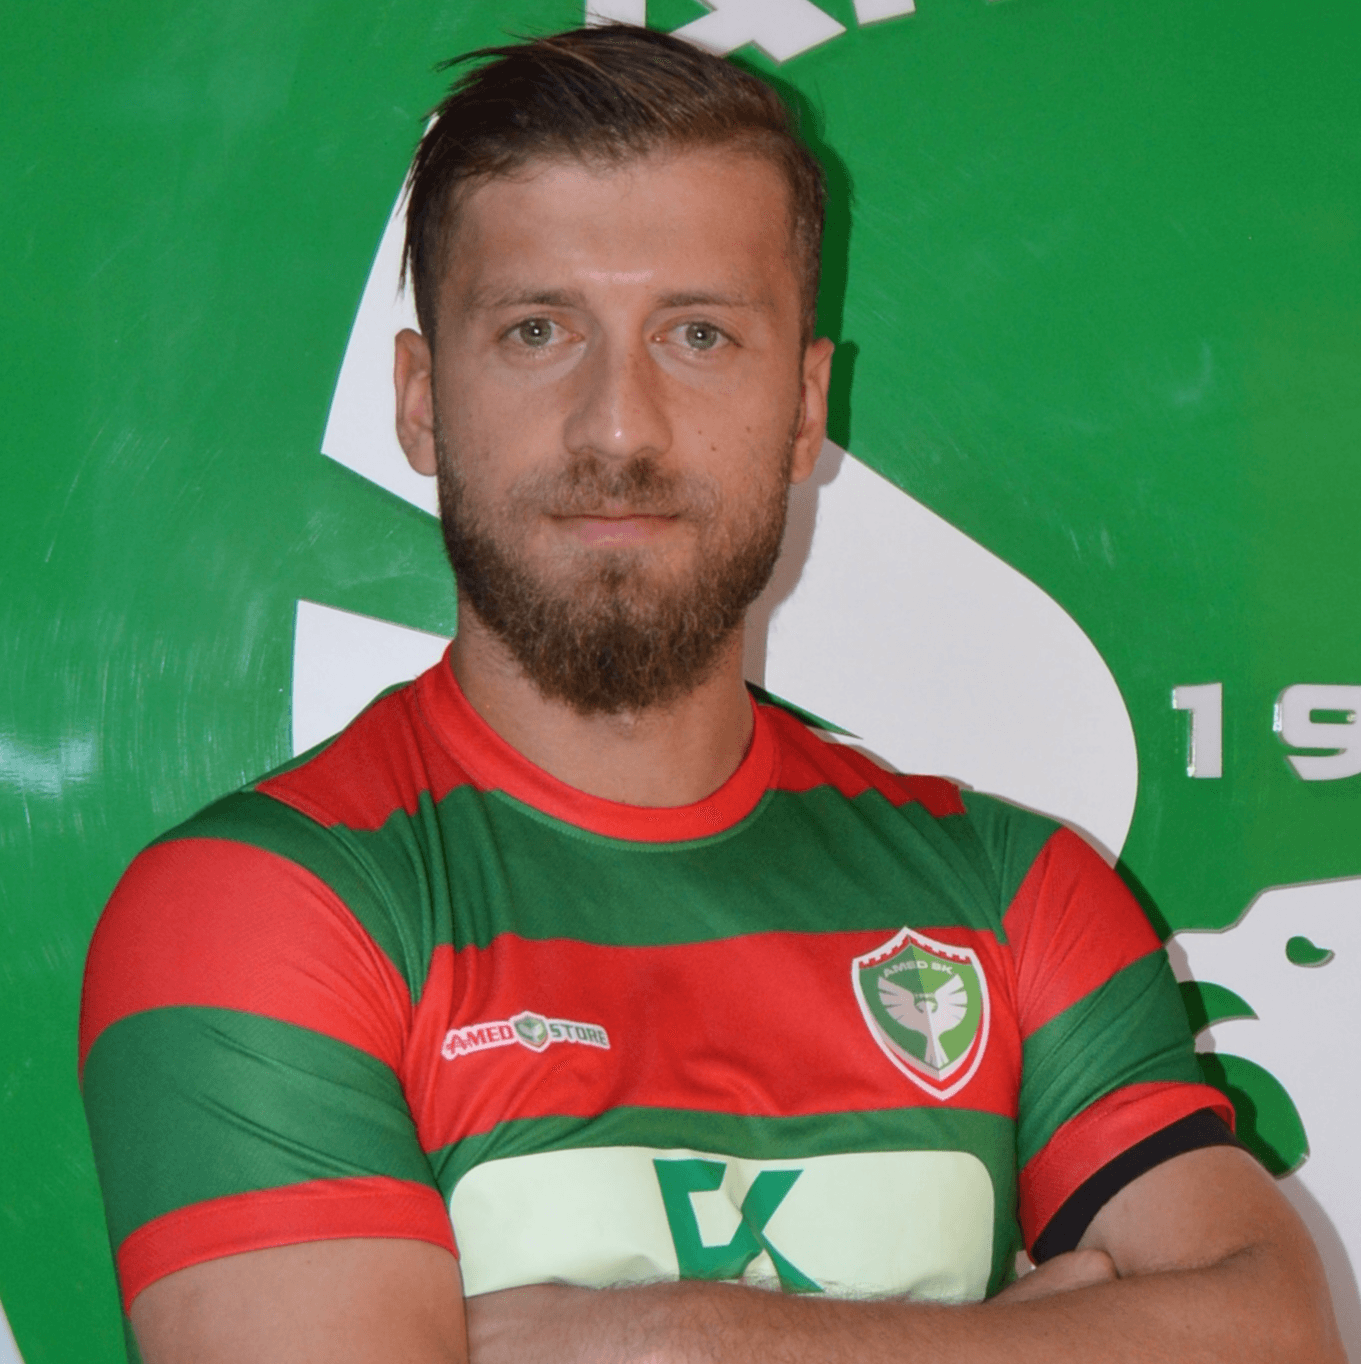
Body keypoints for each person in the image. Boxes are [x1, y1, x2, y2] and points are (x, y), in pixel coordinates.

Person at [79, 24, 1343, 1364]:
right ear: (422, 401)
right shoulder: (261, 909)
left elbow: (1274, 1331)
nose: (618, 426)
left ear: (805, 407)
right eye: (535, 330)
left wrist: (676, 1338)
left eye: (698, 334)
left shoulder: (1014, 896)